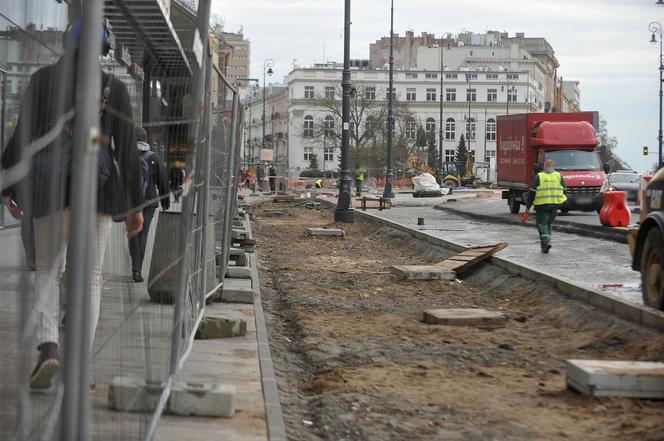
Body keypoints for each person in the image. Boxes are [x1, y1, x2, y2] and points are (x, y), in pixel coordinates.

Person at [0, 17, 143, 390]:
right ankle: (78, 363)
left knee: (48, 270)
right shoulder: (113, 88)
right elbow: (126, 152)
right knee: (91, 278)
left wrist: (9, 189)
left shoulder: (41, 81)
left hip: (47, 192)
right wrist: (134, 207)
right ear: (105, 49)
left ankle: (49, 348)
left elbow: (20, 139)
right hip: (95, 196)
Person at [129, 127, 169, 283]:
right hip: (150, 201)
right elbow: (163, 180)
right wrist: (165, 203)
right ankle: (137, 270)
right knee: (143, 234)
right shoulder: (153, 158)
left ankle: (135, 266)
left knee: (133, 234)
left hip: (132, 202)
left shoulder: (128, 156)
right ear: (146, 139)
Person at [524, 159, 567, 254]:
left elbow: (532, 193)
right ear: (553, 167)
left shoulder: (539, 176)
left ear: (544, 167)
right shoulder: (558, 176)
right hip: (555, 204)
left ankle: (546, 243)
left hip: (542, 205)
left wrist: (528, 206)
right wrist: (563, 201)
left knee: (542, 224)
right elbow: (564, 190)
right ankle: (545, 245)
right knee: (548, 224)